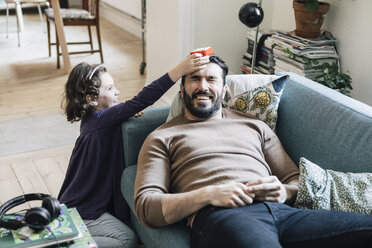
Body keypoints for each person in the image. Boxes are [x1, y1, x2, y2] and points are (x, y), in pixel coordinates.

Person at [134, 55, 372, 248]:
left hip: (283, 212)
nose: (203, 86)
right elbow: (147, 207)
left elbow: (294, 179)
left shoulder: (255, 126)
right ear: (182, 90)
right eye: (195, 79)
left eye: (211, 79)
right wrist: (208, 194)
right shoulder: (161, 137)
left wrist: (283, 192)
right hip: (222, 216)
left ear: (225, 90)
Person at [58, 53, 210, 248]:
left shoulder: (92, 120)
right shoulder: (101, 122)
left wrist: (121, 109)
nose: (117, 92)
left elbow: (117, 112)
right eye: (110, 89)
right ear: (91, 99)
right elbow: (143, 99)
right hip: (83, 211)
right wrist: (180, 69)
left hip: (76, 204)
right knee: (126, 239)